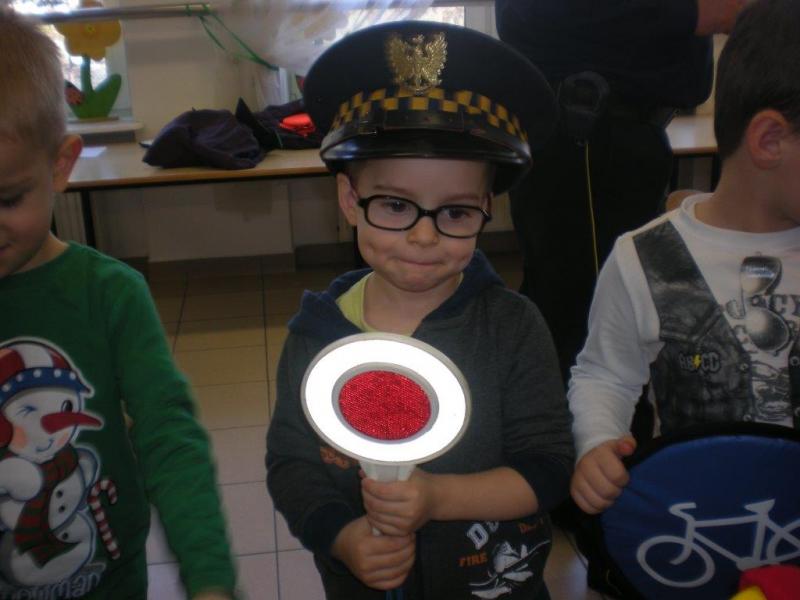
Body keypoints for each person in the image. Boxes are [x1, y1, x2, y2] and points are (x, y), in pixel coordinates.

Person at [266, 21, 575, 599]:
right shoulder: (317, 335)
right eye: (394, 205)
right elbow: (292, 465)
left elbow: (549, 467)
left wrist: (439, 498)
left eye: (455, 212)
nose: (424, 237)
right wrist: (341, 537)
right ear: (349, 198)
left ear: (486, 208)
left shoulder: (512, 328)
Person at [0, 9, 236, 599]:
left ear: (60, 164)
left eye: (7, 198)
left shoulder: (108, 294)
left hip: (107, 579)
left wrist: (209, 577)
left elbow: (168, 435)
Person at [569, 0, 800, 517]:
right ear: (770, 140)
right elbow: (604, 375)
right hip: (698, 519)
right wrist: (597, 441)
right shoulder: (645, 259)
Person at [495, 0, 752, 387]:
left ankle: (593, 414)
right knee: (590, 313)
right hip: (589, 129)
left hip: (612, 130)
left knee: (600, 301)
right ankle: (582, 422)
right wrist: (693, 11)